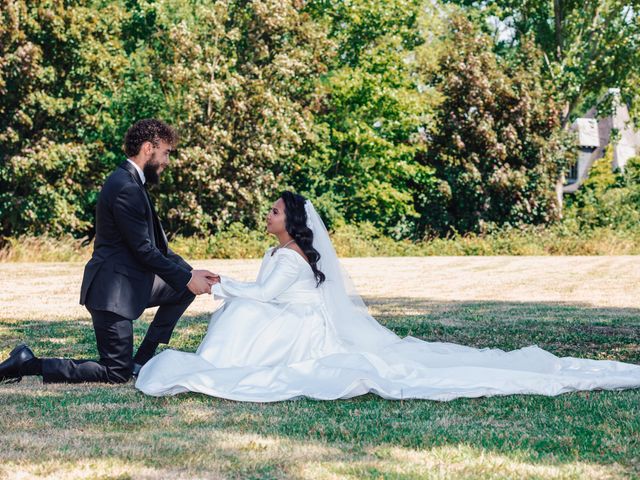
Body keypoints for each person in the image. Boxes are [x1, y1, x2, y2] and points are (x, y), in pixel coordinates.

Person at [135, 191, 640, 401]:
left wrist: (220, 285)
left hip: (299, 327)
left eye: (272, 212)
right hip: (284, 312)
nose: (266, 216)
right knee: (243, 314)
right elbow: (266, 291)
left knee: (245, 318)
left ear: (290, 221)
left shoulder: (290, 257)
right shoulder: (281, 253)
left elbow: (266, 295)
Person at [0, 119, 218, 385]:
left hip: (129, 284)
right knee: (116, 372)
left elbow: (160, 248)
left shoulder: (134, 184)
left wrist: (190, 273)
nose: (168, 161)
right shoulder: (125, 186)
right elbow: (144, 251)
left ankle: (143, 360)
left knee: (182, 287)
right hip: (111, 294)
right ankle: (28, 363)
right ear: (149, 148)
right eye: (166, 153)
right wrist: (186, 278)